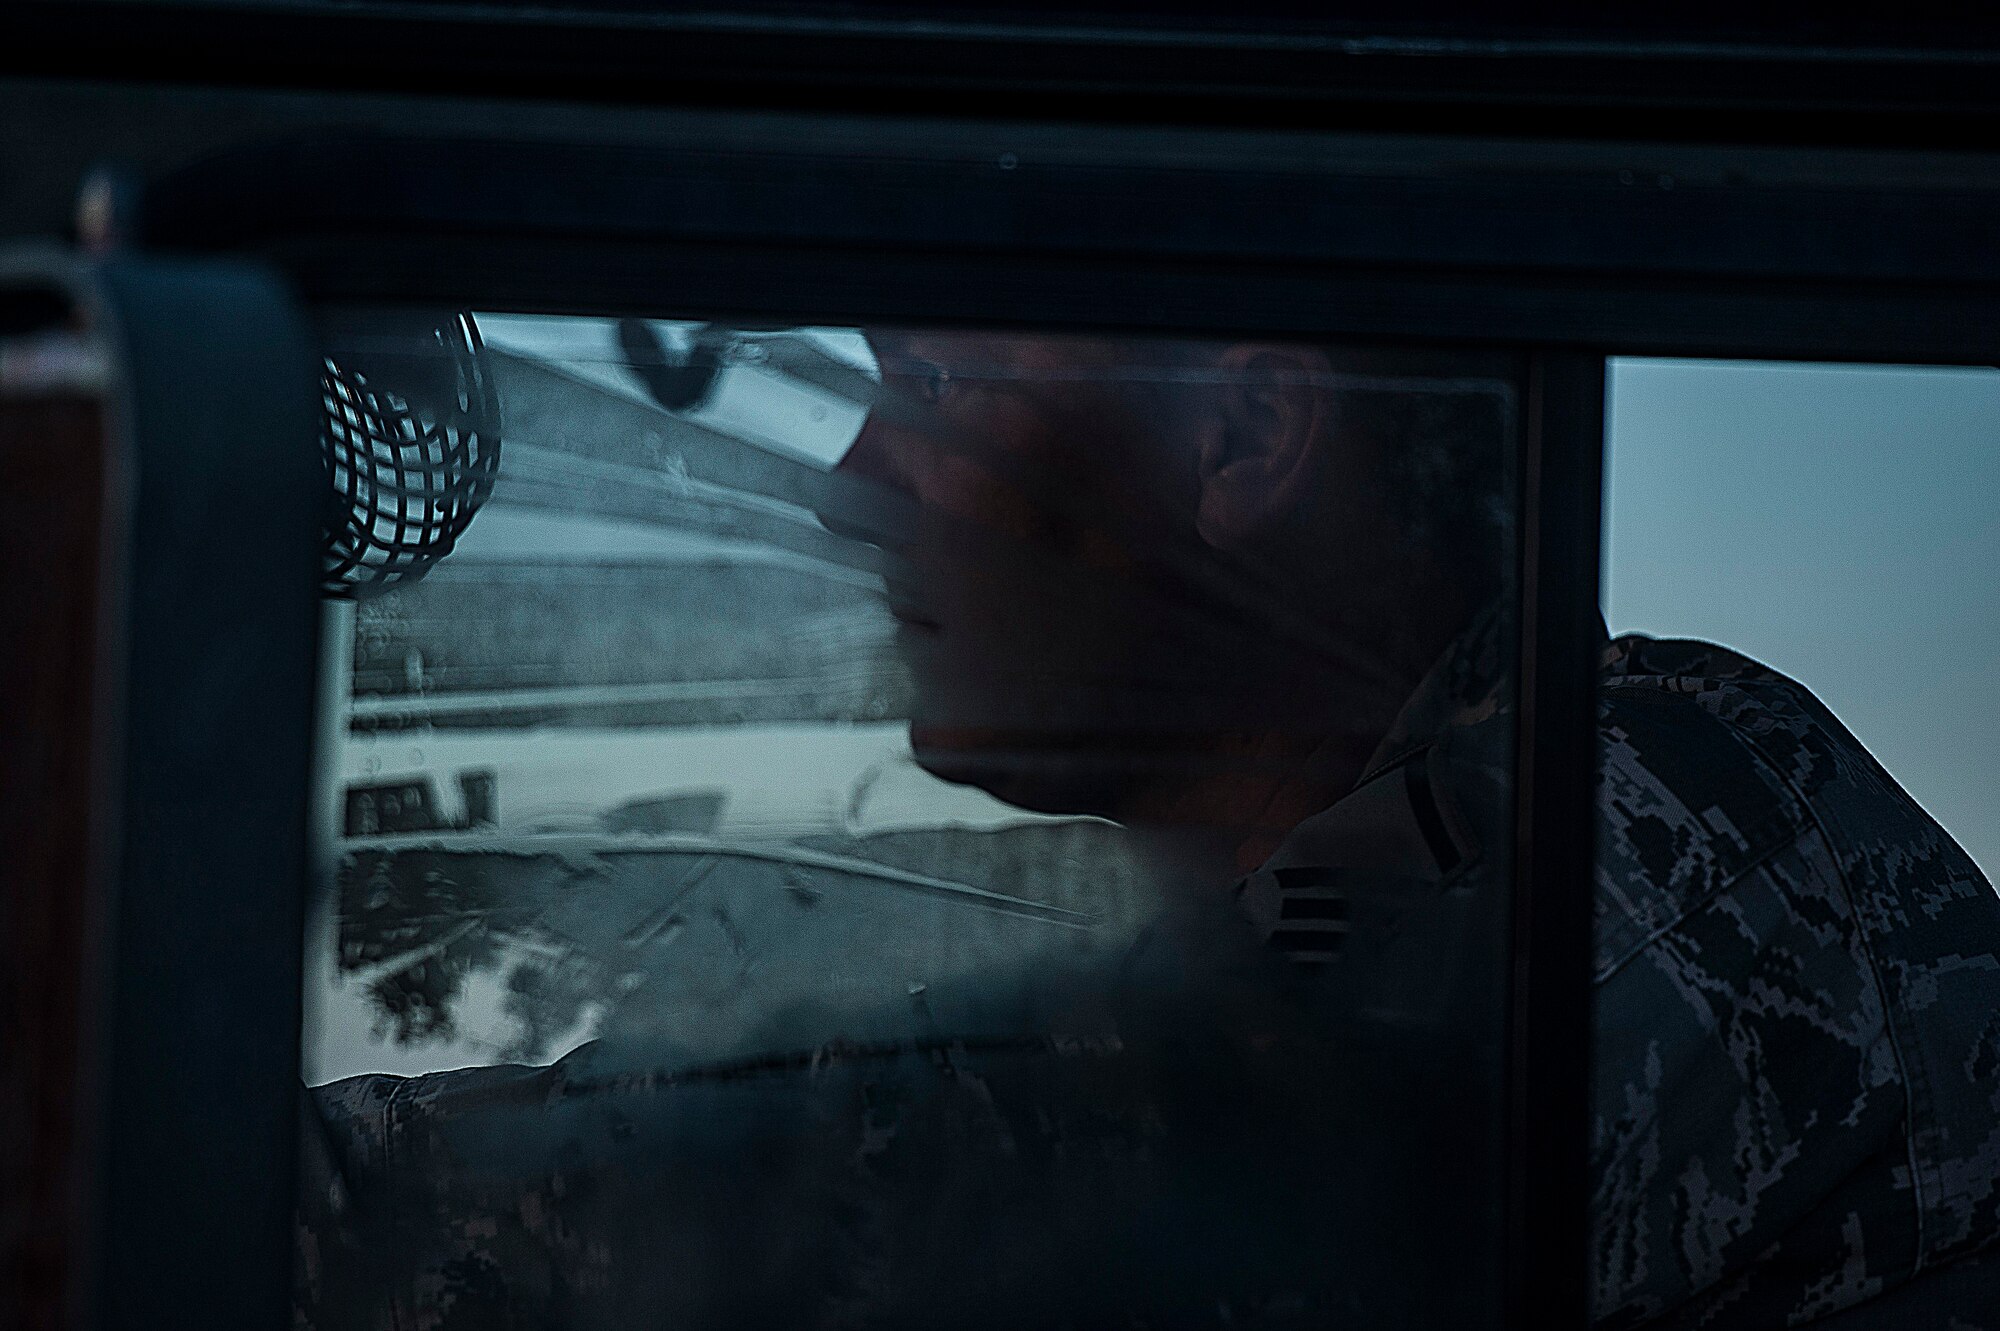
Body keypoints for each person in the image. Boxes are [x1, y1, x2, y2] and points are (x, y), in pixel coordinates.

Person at [296, 328, 2000, 1329]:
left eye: (941, 384)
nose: (849, 481)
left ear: (1247, 437)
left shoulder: (1656, 818)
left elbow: (958, 1160)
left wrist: (232, 1187)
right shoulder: (1320, 915)